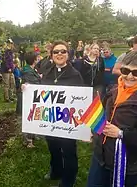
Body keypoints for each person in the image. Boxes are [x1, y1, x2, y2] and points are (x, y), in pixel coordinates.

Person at [87, 51, 137, 187]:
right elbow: (102, 115)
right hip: (100, 158)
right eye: (125, 70)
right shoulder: (114, 90)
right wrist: (94, 131)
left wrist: (121, 134)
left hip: (127, 165)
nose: (130, 76)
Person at [42, 41, 84, 187]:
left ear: (68, 54)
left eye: (63, 51)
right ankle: (56, 170)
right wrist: (27, 88)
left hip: (67, 121)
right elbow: (41, 93)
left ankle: (68, 179)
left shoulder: (75, 75)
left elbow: (80, 100)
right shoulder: (47, 71)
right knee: (53, 147)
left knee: (68, 151)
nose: (59, 54)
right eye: (56, 52)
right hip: (50, 119)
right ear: (51, 55)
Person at [17, 52, 41, 148]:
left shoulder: (31, 69)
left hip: (32, 98)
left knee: (33, 115)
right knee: (28, 117)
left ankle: (33, 135)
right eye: (37, 57)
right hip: (27, 99)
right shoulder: (27, 71)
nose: (39, 58)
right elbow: (34, 84)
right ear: (34, 60)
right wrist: (40, 79)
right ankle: (28, 140)